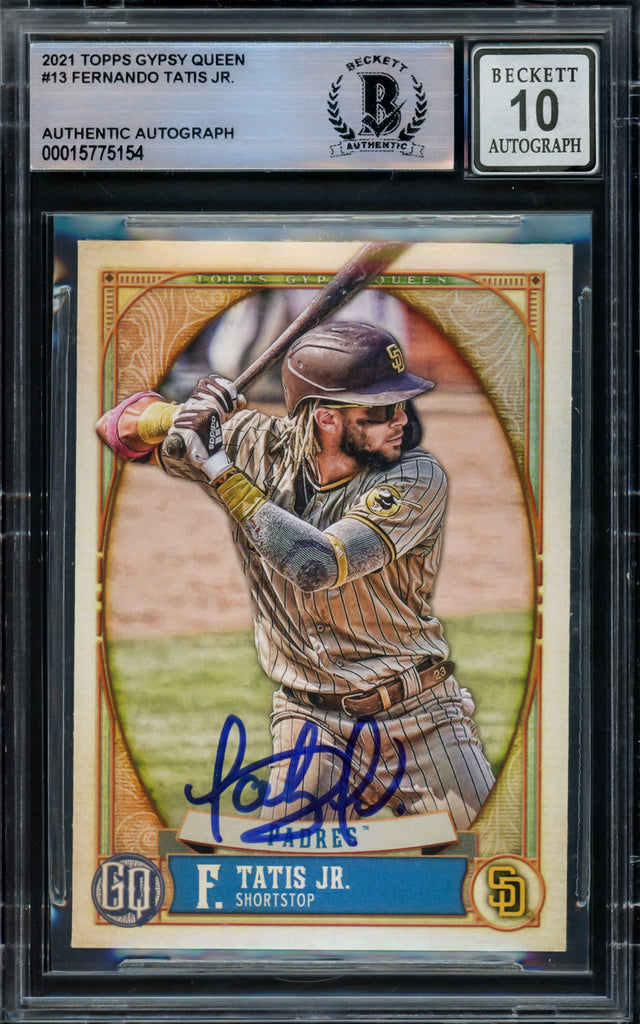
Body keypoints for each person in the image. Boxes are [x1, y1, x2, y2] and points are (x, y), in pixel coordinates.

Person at [155, 321, 495, 834]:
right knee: (289, 873)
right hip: (310, 721)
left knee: (489, 857)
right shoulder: (255, 443)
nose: (401, 420)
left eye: (401, 404)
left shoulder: (414, 478)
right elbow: (120, 426)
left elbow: (315, 566)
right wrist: (180, 416)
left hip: (421, 717)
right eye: (380, 411)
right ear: (327, 418)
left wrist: (219, 470)